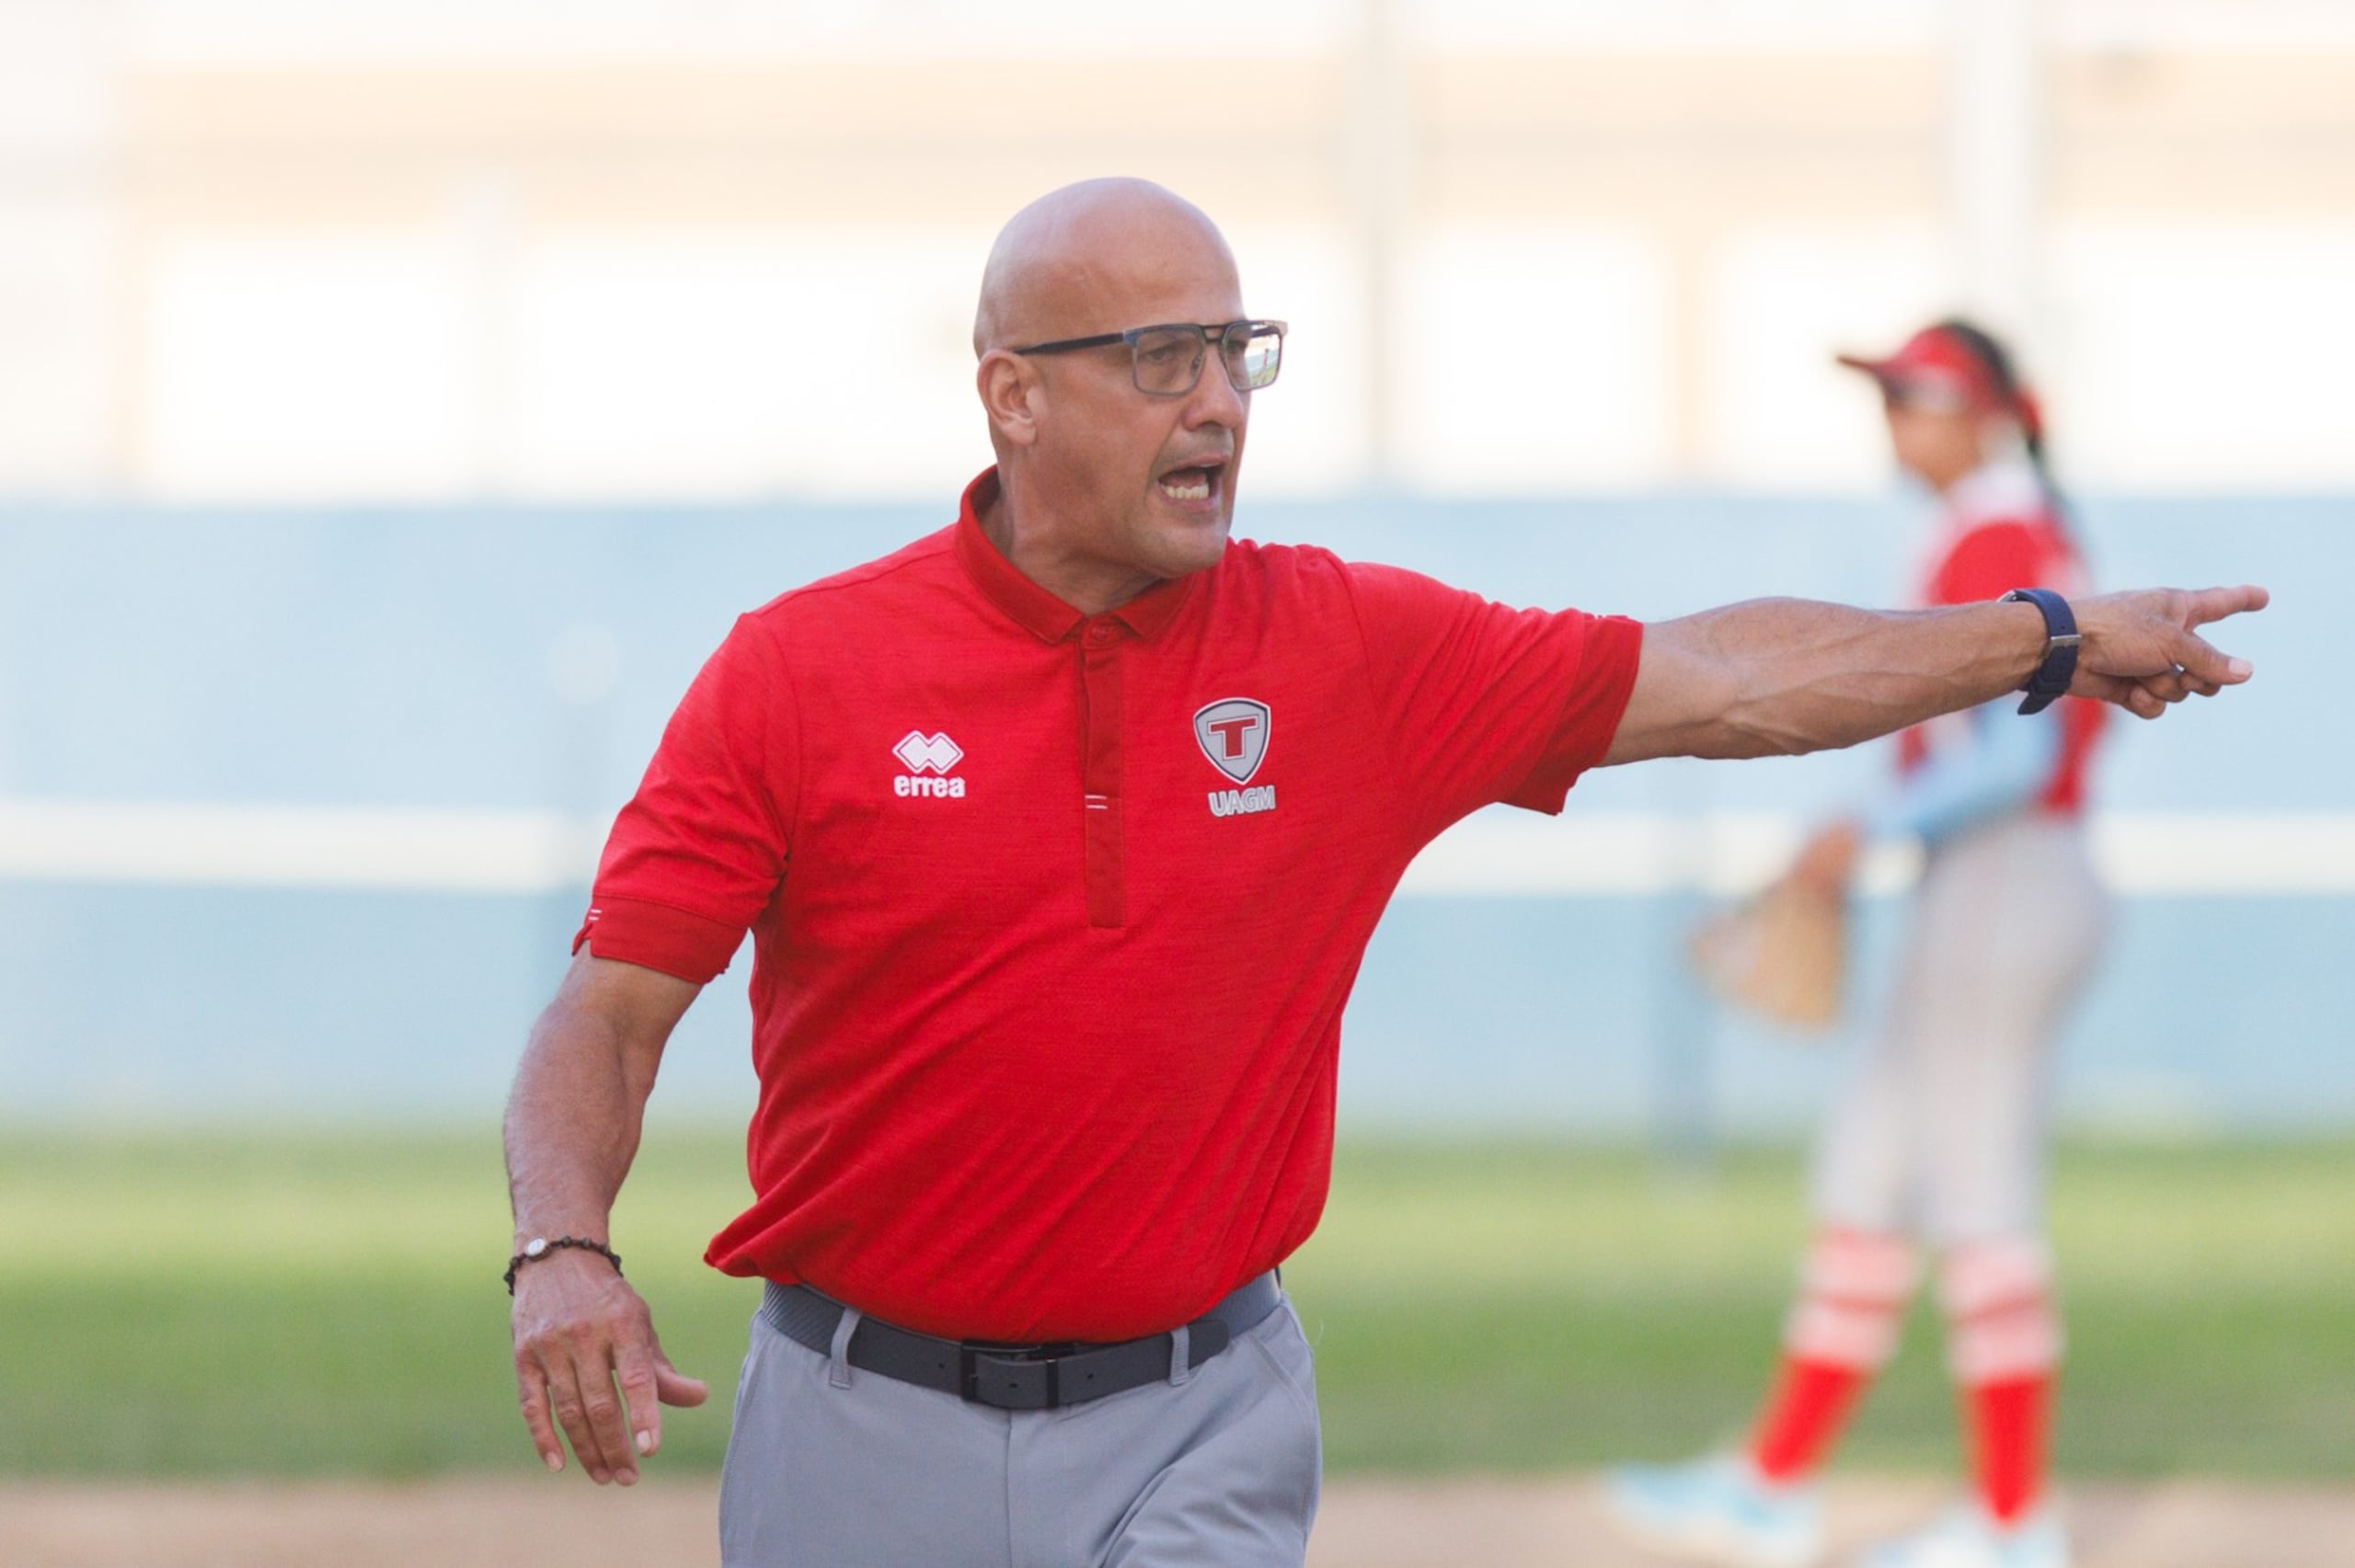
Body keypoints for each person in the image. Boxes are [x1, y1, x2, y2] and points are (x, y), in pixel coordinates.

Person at [501, 182, 2261, 1568]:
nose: (1216, 404)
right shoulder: (798, 672)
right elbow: (612, 1008)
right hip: (855, 1426)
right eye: (1159, 357)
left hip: (1199, 1426)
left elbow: (1723, 679)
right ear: (1011, 398)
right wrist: (562, 1248)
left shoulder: (1345, 651)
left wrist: (2038, 637)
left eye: (1237, 354)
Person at [1605, 320, 2119, 1568]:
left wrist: (1867, 823)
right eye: (1889, 397)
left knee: (1978, 1191)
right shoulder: (1991, 526)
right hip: (1982, 879)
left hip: (2005, 872)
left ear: (1991, 410)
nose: (1898, 419)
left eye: (1920, 395)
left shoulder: (2000, 534)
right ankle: (1772, 1483)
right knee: (1871, 1174)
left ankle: (2013, 1521)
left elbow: (2025, 754)